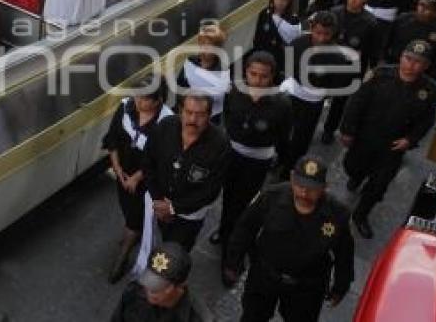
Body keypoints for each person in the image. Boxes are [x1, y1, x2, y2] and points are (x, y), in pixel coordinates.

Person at [224, 155, 354, 321]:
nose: (304, 193)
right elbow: (245, 228)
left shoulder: (337, 215)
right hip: (265, 276)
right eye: (300, 185)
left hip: (306, 286)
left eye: (312, 188)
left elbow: (344, 254)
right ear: (292, 178)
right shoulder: (271, 197)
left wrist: (341, 286)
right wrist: (233, 261)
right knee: (253, 316)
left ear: (325, 187)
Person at [342, 40, 436, 239]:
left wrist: (410, 140)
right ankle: (357, 176)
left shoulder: (428, 90)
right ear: (401, 56)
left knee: (379, 184)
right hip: (365, 136)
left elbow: (426, 121)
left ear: (426, 66)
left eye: (418, 62)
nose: (411, 65)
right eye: (408, 58)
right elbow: (356, 103)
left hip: (393, 146)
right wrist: (348, 130)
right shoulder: (380, 74)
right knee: (352, 165)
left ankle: (361, 215)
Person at [213, 51, 292, 262]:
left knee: (245, 201)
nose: (257, 80)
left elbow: (284, 134)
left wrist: (280, 159)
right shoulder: (235, 91)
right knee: (228, 195)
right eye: (252, 74)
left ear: (272, 76)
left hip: (257, 159)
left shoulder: (281, 103)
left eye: (263, 76)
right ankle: (223, 229)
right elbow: (227, 116)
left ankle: (235, 242)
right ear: (245, 72)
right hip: (232, 152)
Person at [103, 75, 173, 283]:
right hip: (123, 173)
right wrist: (117, 168)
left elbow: (160, 158)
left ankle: (123, 255)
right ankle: (132, 231)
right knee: (127, 209)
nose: (139, 102)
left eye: (145, 99)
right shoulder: (125, 107)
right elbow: (113, 139)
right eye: (137, 97)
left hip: (146, 181)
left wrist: (136, 178)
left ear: (158, 100)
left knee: (135, 216)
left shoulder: (167, 121)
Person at [141, 92, 229, 253]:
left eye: (200, 115)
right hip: (159, 204)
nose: (193, 120)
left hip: (190, 215)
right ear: (181, 110)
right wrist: (158, 201)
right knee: (160, 241)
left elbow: (211, 190)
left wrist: (174, 208)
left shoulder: (220, 144)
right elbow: (148, 163)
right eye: (188, 112)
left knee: (176, 253)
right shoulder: (165, 126)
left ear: (209, 116)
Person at [278, 11, 355, 174]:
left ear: (333, 33)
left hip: (313, 101)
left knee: (302, 136)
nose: (321, 38)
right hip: (293, 92)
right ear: (311, 28)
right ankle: (280, 157)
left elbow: (337, 84)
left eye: (326, 34)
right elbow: (288, 65)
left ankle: (291, 167)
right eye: (318, 33)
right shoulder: (298, 43)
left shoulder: (338, 57)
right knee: (283, 127)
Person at [323, 0, 380, 143]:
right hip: (329, 62)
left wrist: (373, 70)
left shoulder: (370, 22)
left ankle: (329, 129)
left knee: (339, 102)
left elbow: (373, 50)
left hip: (351, 69)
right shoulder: (335, 13)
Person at [111, 242, 211, 322]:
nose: (150, 290)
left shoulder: (197, 317)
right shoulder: (134, 291)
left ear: (181, 286)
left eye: (160, 285)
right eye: (149, 280)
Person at [385, 0, 436, 79]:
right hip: (393, 66)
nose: (422, 9)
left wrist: (433, 77)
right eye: (421, 5)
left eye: (428, 8)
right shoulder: (403, 19)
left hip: (420, 75)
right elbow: (387, 41)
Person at [175, 25, 230, 122]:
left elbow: (221, 98)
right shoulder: (190, 62)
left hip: (210, 118)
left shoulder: (222, 72)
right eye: (202, 44)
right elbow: (180, 87)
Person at [251, 0, 301, 75]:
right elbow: (258, 37)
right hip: (263, 56)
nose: (280, 2)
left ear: (289, 2)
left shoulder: (293, 20)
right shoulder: (265, 14)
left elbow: (293, 43)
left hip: (279, 60)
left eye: (283, 0)